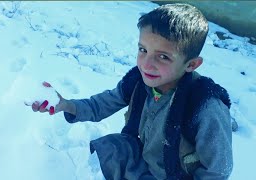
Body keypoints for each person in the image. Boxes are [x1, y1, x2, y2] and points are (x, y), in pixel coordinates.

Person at [30, 3, 233, 180]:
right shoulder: (137, 81)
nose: (147, 64)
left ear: (191, 65)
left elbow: (218, 170)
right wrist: (66, 104)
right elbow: (103, 103)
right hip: (142, 158)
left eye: (163, 57)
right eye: (143, 50)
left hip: (174, 175)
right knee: (108, 148)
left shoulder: (205, 106)